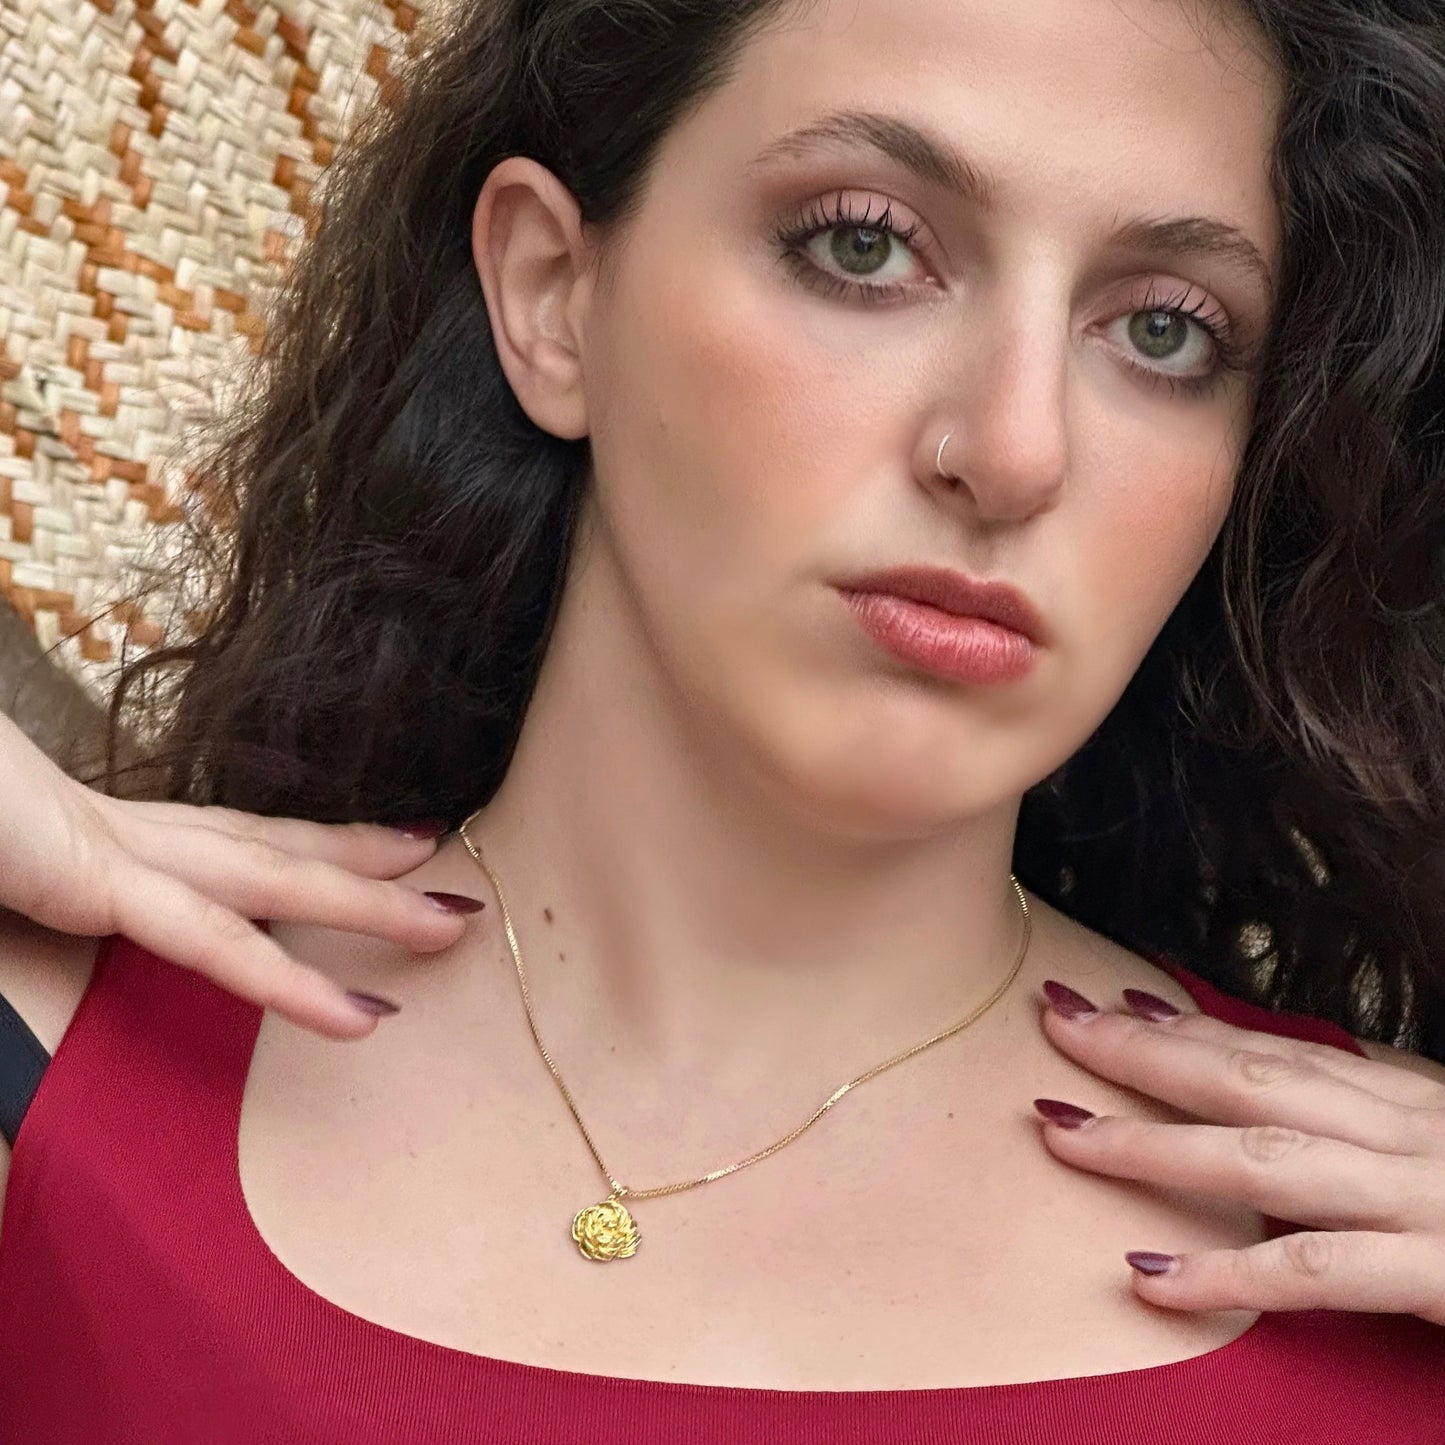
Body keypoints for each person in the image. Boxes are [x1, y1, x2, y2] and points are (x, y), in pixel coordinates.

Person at [0, 0, 1442, 1438]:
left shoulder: (1396, 1261)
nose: (1010, 448)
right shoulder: (53, 1079)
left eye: (1162, 330)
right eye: (863, 243)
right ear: (553, 293)